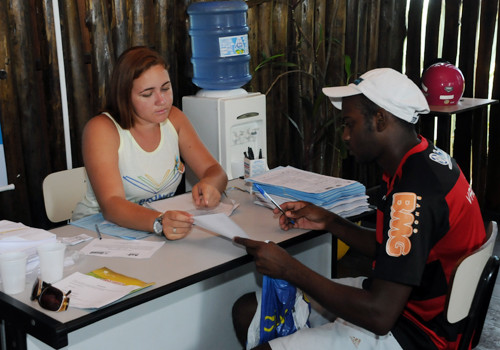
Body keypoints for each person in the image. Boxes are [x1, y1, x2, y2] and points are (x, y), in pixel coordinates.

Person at [232, 68, 486, 349]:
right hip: (409, 303)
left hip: (417, 332)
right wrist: (332, 222)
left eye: (349, 124)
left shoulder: (414, 194)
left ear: (379, 120)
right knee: (249, 310)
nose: (344, 136)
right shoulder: (424, 159)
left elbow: (379, 315)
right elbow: (395, 249)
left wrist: (290, 269)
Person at [72, 46, 228, 240]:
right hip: (95, 232)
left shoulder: (175, 118)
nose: (161, 100)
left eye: (165, 88)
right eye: (147, 94)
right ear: (125, 96)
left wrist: (211, 185)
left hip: (153, 231)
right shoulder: (102, 129)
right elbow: (111, 205)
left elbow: (215, 171)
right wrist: (159, 222)